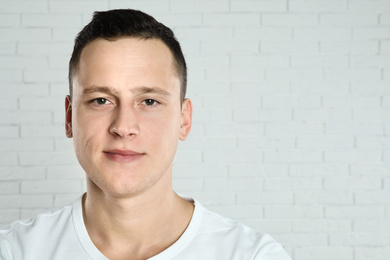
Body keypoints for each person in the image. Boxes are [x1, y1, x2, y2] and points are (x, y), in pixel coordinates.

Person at [0, 9, 291, 260]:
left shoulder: (251, 256)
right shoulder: (15, 251)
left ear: (184, 120)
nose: (123, 126)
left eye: (149, 101)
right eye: (100, 100)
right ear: (69, 117)